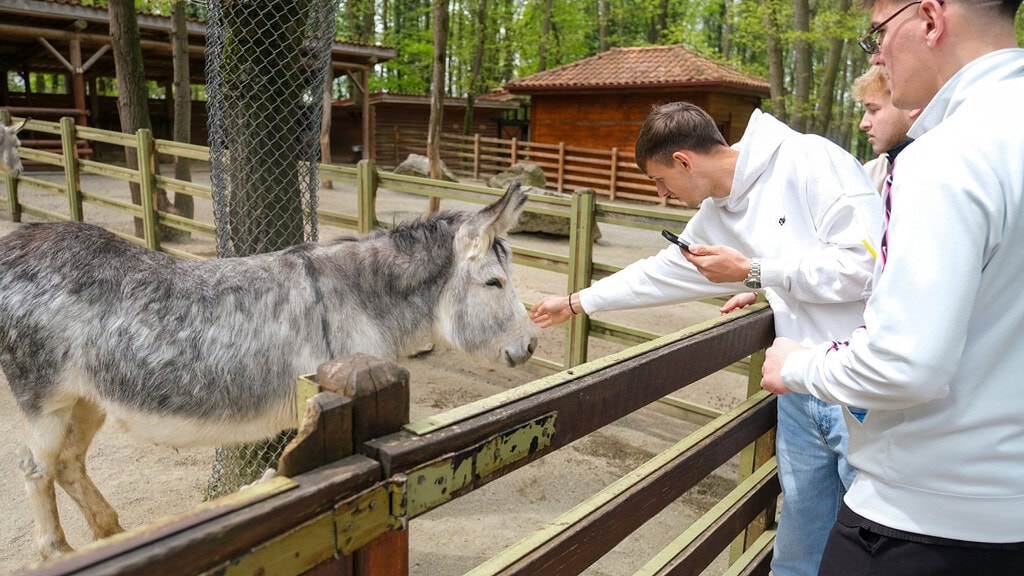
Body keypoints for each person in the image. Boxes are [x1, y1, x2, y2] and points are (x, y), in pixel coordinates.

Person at [530, 101, 881, 576]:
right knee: (800, 537)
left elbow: (867, 266)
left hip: (855, 382)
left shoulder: (808, 160)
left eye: (660, 180)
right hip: (796, 388)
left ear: (683, 162)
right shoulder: (716, 213)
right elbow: (660, 273)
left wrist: (756, 273)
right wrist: (576, 302)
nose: (661, 194)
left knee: (868, 538)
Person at [761, 0, 1024, 573]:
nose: (876, 51)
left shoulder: (949, 153)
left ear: (929, 19)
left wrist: (801, 365)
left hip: (923, 522)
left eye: (877, 32)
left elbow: (908, 364)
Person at [852, 65, 919, 193]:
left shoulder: (943, 168)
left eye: (873, 110)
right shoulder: (869, 175)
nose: (863, 124)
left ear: (911, 106)